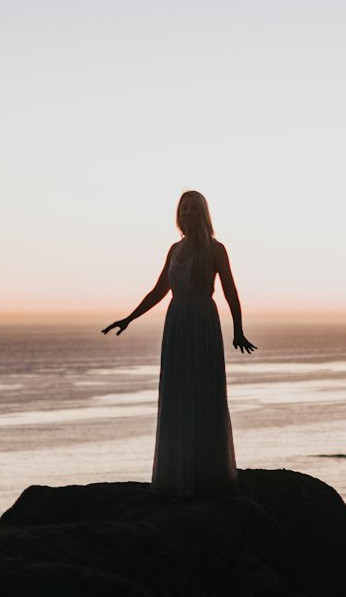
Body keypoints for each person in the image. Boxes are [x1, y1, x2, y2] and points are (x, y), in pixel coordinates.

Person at [101, 191, 256, 497]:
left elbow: (230, 293)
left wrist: (238, 330)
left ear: (203, 213)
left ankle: (208, 474)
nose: (187, 212)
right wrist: (129, 318)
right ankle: (177, 472)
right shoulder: (174, 249)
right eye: (183, 208)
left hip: (202, 322)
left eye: (193, 208)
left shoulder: (216, 249)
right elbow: (160, 290)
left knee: (204, 393)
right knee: (178, 394)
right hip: (177, 323)